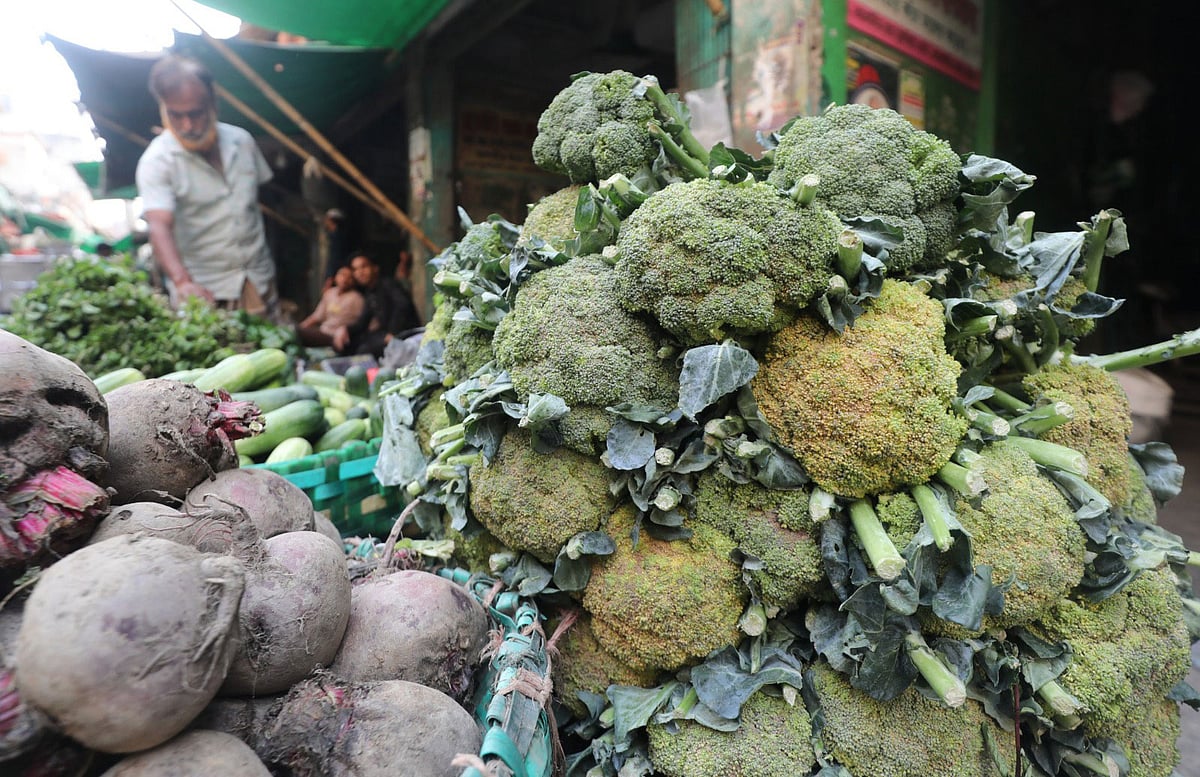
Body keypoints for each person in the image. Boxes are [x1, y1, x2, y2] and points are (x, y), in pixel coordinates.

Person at [135, 54, 279, 319]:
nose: (187, 126)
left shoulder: (242, 143)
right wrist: (182, 282)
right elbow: (159, 225)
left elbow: (261, 204)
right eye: (176, 116)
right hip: (206, 293)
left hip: (259, 280)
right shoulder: (157, 162)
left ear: (212, 102)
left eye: (195, 114)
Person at [333, 252, 421, 357]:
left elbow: (403, 305)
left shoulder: (388, 284)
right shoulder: (370, 293)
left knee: (364, 350)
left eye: (364, 267)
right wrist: (345, 329)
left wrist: (393, 332)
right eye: (355, 269)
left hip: (406, 334)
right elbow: (362, 324)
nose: (360, 272)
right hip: (387, 335)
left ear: (375, 268)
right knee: (345, 344)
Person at [296, 266, 366, 348]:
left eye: (349, 277)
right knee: (294, 332)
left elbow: (362, 322)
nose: (345, 279)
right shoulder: (330, 293)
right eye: (342, 275)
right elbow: (316, 316)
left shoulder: (357, 299)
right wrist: (301, 327)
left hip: (338, 337)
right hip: (323, 331)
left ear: (354, 281)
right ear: (336, 277)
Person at [319, 208, 350, 292]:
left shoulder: (338, 238)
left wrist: (330, 278)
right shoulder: (335, 236)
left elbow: (335, 259)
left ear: (331, 220)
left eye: (327, 219)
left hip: (336, 276)